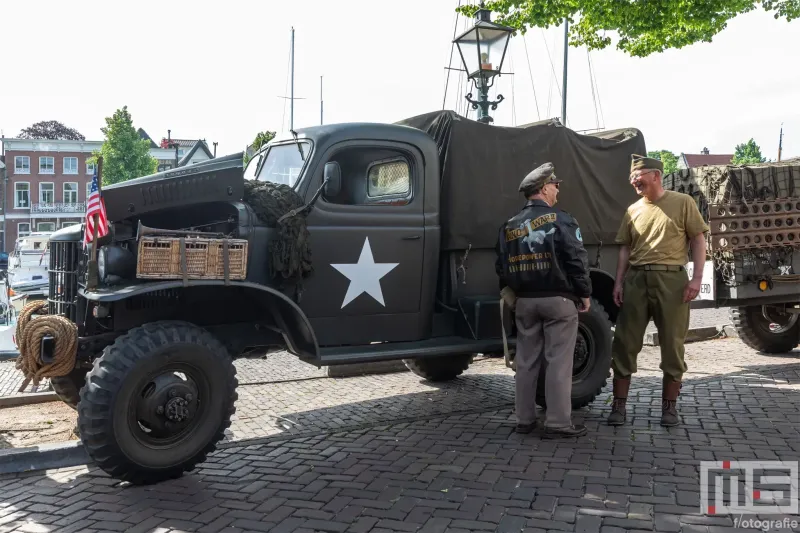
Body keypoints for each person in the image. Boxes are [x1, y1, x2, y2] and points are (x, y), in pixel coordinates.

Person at [607, 154, 709, 427]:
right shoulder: (633, 210)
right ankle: (618, 406)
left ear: (655, 175)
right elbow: (625, 248)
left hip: (672, 282)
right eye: (632, 177)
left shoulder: (682, 203)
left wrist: (696, 279)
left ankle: (669, 408)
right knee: (625, 343)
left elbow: (698, 240)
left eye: (638, 176)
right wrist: (619, 282)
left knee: (672, 345)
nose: (633, 181)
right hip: (637, 280)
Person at [495, 162, 592, 438]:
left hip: (524, 302)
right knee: (559, 362)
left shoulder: (508, 225)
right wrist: (584, 293)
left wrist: (514, 296)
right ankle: (558, 423)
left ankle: (524, 420)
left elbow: (501, 267)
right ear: (544, 188)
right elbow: (576, 260)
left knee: (525, 362)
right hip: (558, 301)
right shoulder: (562, 220)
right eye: (555, 185)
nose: (558, 189)